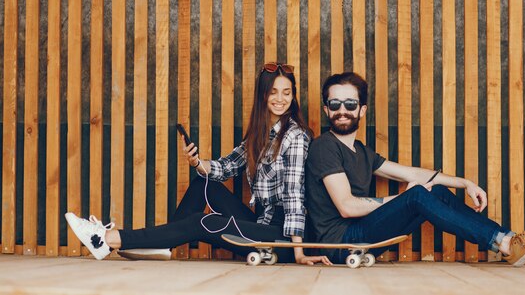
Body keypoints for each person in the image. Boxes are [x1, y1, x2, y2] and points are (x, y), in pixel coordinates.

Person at [66, 62, 331, 265]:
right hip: (261, 224)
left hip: (281, 238)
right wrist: (197, 162)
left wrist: (298, 253)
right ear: (263, 95)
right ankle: (163, 245)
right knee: (204, 184)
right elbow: (227, 166)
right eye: (273, 92)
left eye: (287, 93)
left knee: (200, 222)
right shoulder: (260, 134)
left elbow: (295, 194)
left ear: (293, 96)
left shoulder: (295, 136)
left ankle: (106, 239)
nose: (280, 99)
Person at [305, 72, 525, 266]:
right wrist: (405, 198)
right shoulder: (324, 147)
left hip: (361, 237)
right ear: (327, 109)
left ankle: (507, 238)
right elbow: (347, 206)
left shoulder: (361, 151)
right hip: (339, 243)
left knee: (433, 191)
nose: (342, 111)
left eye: (350, 104)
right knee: (417, 195)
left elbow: (410, 173)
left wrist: (463, 182)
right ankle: (507, 245)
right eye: (335, 104)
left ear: (361, 111)